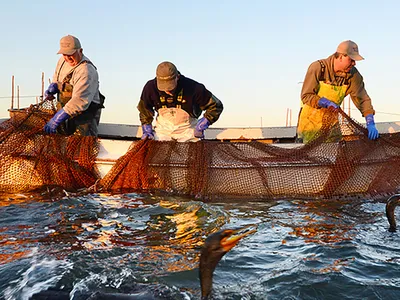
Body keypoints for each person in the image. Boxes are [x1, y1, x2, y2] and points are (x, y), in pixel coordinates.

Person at [297, 40, 379, 144]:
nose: (354, 63)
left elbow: (362, 98)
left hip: (332, 128)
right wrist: (326, 103)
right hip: (309, 127)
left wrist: (370, 121)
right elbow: (306, 96)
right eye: (351, 59)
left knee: (333, 156)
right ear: (340, 57)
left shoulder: (353, 75)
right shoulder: (318, 68)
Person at [137, 61, 223, 142]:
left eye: (170, 86)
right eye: (163, 87)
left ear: (177, 77)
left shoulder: (194, 88)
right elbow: (144, 108)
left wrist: (204, 123)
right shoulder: (150, 87)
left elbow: (216, 106)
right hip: (162, 131)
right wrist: (146, 127)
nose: (167, 91)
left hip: (188, 131)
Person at [43, 35, 104, 136]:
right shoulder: (62, 61)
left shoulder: (86, 70)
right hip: (65, 113)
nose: (67, 58)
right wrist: (54, 86)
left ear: (80, 51)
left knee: (81, 147)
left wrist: (56, 120)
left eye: (71, 54)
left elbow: (79, 101)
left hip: (84, 117)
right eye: (64, 54)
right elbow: (56, 77)